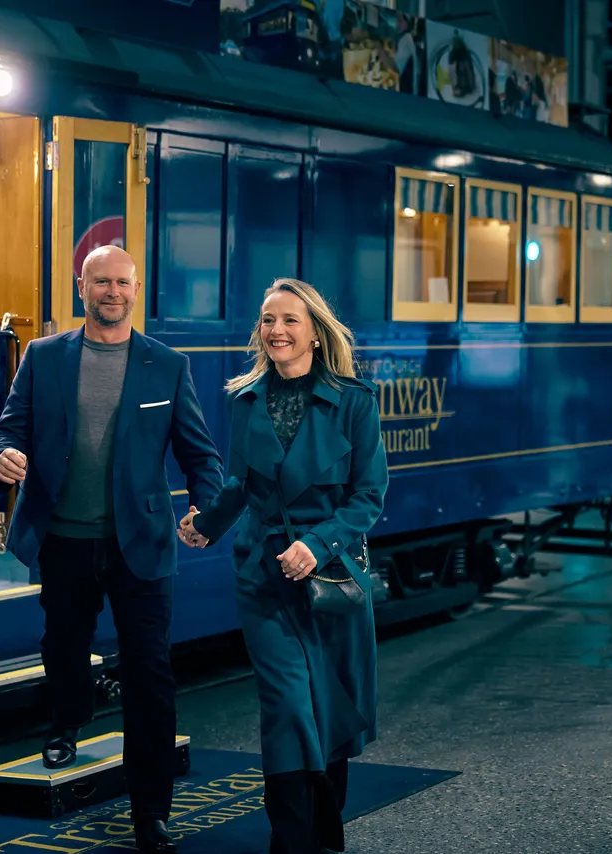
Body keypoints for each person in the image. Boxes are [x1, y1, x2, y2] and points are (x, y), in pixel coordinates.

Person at [0, 245, 223, 854]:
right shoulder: (43, 356)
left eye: (122, 282)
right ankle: (67, 721)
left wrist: (206, 509)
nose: (111, 291)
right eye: (101, 282)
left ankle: (152, 812)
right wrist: (3, 454)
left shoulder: (167, 365)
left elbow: (200, 455)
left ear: (136, 291)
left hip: (139, 542)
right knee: (63, 646)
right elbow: (7, 429)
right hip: (63, 537)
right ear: (81, 287)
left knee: (150, 674)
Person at [179, 278, 388, 854]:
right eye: (268, 319)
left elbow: (368, 496)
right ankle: (292, 838)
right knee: (288, 705)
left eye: (290, 320)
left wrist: (317, 545)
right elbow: (239, 485)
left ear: (315, 333)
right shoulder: (243, 398)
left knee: (329, 705)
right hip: (263, 575)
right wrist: (205, 524)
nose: (276, 330)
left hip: (332, 577)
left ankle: (323, 828)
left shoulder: (355, 402)